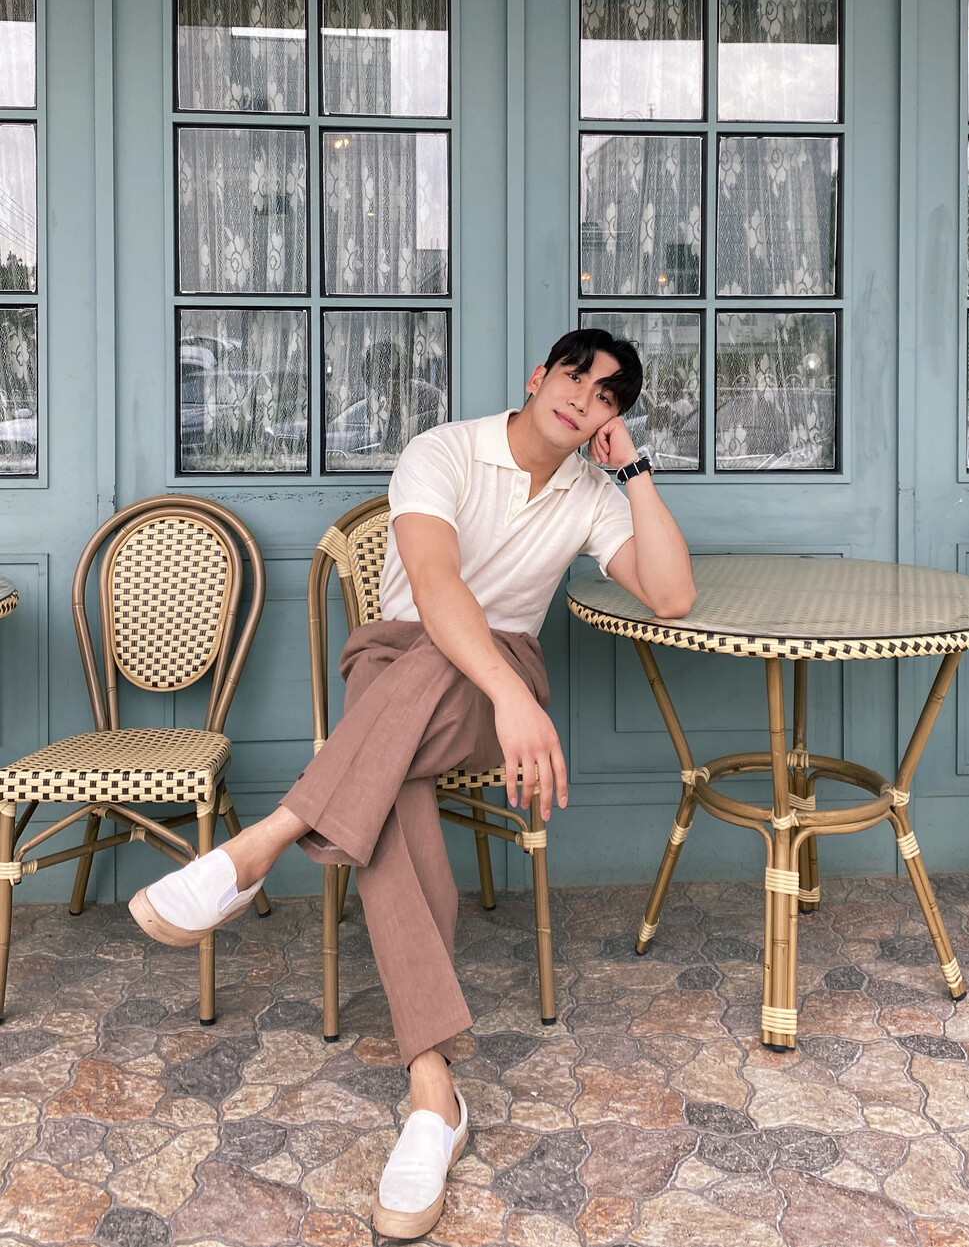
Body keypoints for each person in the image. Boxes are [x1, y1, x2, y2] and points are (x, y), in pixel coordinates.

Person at [128, 327, 696, 1240]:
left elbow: (671, 594)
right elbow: (434, 585)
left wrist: (632, 470)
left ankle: (265, 842)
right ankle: (433, 1092)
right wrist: (515, 700)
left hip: (488, 675)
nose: (584, 401)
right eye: (575, 378)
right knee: (398, 772)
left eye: (606, 398)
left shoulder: (592, 493)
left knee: (399, 729)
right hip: (402, 659)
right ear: (538, 376)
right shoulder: (443, 450)